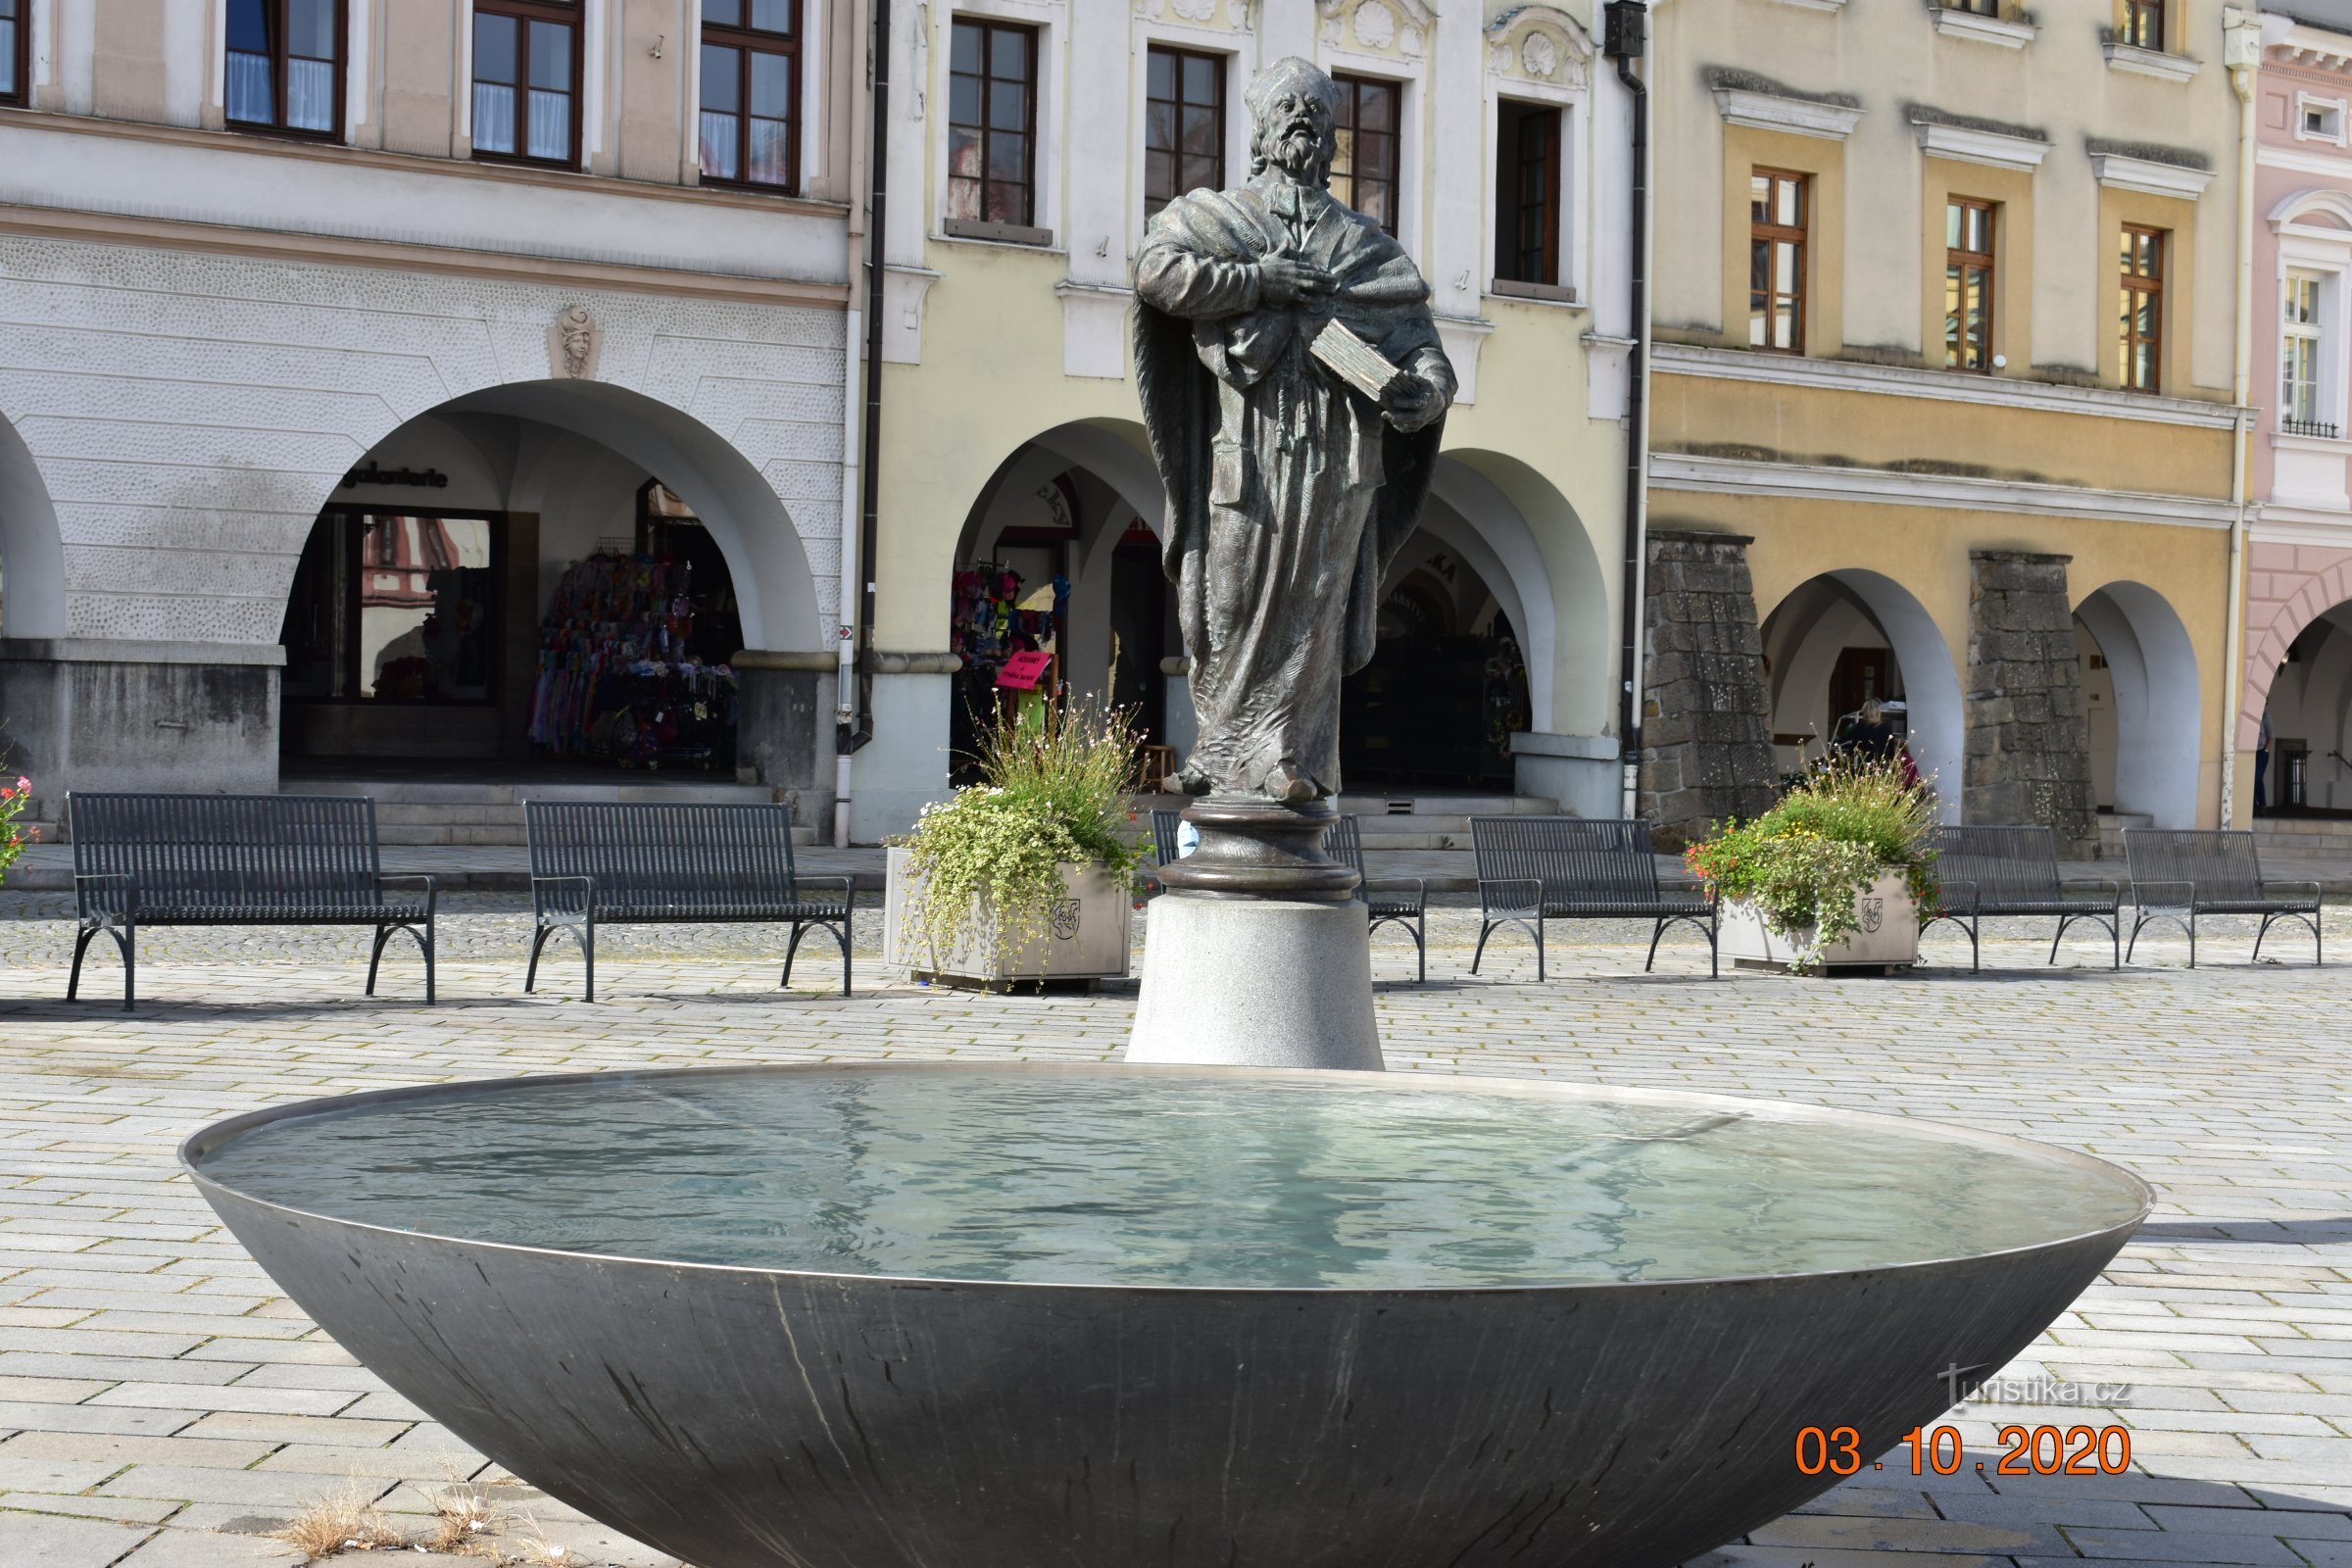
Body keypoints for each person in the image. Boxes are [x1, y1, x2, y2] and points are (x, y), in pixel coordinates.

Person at [1133, 57, 1456, 803]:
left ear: (1335, 136)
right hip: (1247, 455)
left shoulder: (1363, 244)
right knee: (1231, 599)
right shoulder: (1225, 218)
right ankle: (1220, 754)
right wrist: (1256, 283)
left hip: (1340, 464)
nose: (1302, 117)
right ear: (1262, 127)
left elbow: (1421, 346)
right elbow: (1157, 271)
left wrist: (1427, 394)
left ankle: (1291, 760)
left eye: (1316, 108)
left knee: (1313, 606)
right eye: (1287, 106)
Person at [2255, 709, 2274, 813]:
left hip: (2261, 751)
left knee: (2257, 776)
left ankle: (2262, 804)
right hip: (2251, 752)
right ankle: (2254, 805)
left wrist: (2266, 750)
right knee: (2250, 778)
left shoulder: (2265, 716)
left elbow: (2271, 735)